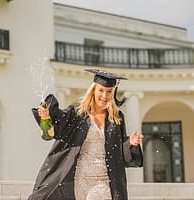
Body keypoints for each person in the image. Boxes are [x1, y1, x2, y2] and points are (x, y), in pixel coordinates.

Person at [28, 69, 144, 200]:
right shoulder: (77, 114)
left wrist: (130, 144)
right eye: (101, 90)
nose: (104, 96)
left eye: (109, 92)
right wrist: (46, 117)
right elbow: (54, 129)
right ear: (93, 90)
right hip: (80, 178)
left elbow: (119, 150)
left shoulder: (116, 118)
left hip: (106, 179)